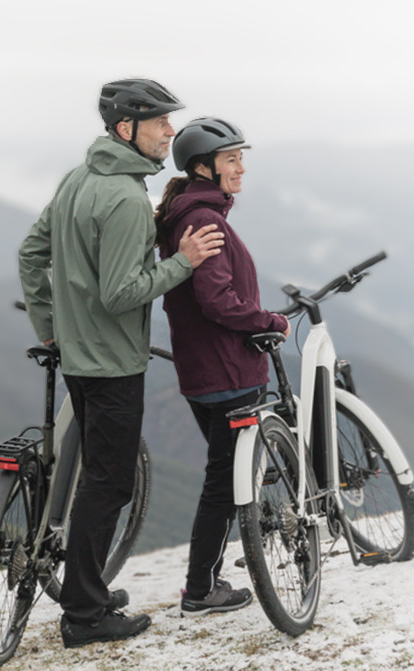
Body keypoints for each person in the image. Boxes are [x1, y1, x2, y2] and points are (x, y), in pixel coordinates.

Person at [19, 80, 224, 648]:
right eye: (160, 122)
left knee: (97, 479)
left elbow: (32, 254)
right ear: (126, 130)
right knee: (108, 486)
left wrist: (51, 327)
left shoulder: (77, 180)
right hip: (112, 362)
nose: (170, 132)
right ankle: (85, 613)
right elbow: (120, 293)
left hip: (78, 357)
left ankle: (88, 591)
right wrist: (183, 262)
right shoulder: (128, 199)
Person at [154, 117, 291, 617]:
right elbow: (217, 300)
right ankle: (200, 588)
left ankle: (206, 578)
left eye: (240, 157)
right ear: (202, 167)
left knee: (224, 476)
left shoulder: (189, 212)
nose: (241, 167)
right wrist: (269, 319)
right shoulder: (204, 220)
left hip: (205, 371)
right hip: (228, 371)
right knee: (225, 482)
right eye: (231, 159)